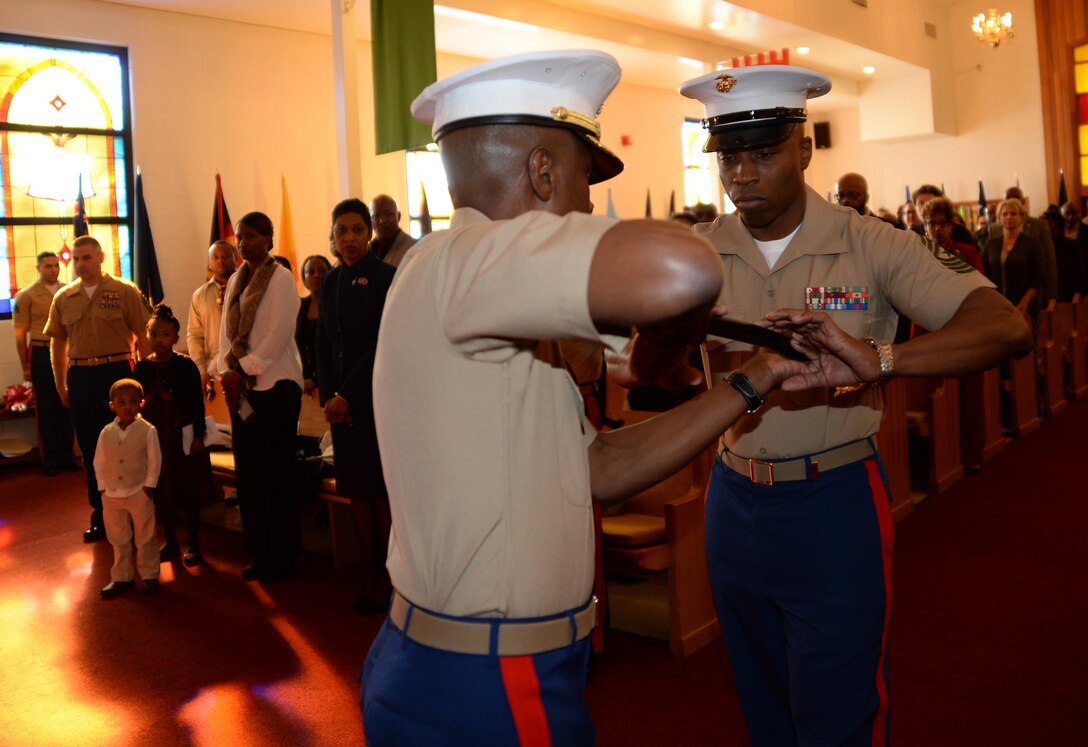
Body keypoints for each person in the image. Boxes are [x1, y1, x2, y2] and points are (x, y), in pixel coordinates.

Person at [360, 49, 882, 746]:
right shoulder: (467, 260)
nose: (585, 205)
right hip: (486, 677)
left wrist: (751, 381)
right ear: (543, 172)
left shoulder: (479, 296)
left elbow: (595, 467)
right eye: (581, 182)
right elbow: (683, 268)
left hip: (471, 660)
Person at [680, 64, 1031, 746]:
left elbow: (1004, 326)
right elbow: (654, 370)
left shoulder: (873, 242)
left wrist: (885, 360)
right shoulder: (696, 256)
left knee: (840, 711)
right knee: (762, 701)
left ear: (806, 148)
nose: (742, 175)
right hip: (730, 500)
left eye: (763, 153)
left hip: (831, 500)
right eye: (728, 157)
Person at [314, 199, 396, 613]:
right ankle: (370, 570)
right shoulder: (329, 282)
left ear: (369, 233)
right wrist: (330, 395)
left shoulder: (387, 278)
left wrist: (348, 394)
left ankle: (393, 575)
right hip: (340, 404)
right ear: (332, 237)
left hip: (374, 401)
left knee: (380, 492)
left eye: (356, 230)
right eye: (341, 231)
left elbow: (382, 343)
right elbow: (324, 343)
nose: (348, 238)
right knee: (357, 492)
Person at [44, 235, 151, 543]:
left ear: (101, 257)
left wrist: (143, 377)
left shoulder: (123, 291)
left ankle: (133, 513)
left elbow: (141, 334)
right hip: (81, 375)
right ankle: (101, 516)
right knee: (93, 450)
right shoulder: (64, 297)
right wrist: (60, 381)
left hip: (116, 372)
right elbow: (58, 342)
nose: (80, 264)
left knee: (126, 445)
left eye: (87, 257)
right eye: (76, 259)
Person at [216, 212, 304, 582]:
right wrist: (224, 368)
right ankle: (260, 552)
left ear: (268, 238)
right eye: (239, 237)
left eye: (251, 236)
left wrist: (244, 368)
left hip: (275, 386)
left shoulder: (282, 278)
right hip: (242, 389)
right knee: (250, 474)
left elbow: (277, 335)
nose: (243, 243)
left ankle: (284, 554)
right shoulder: (237, 278)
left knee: (275, 474)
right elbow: (225, 332)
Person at [134, 304, 209, 566]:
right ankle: (171, 542)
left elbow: (196, 404)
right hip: (155, 436)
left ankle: (194, 544)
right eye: (154, 334)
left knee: (186, 489)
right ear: (147, 335)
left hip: (182, 433)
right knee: (161, 489)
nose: (159, 339)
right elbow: (136, 405)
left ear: (175, 337)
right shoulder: (141, 369)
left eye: (166, 334)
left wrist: (199, 434)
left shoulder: (185, 366)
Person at [94, 378, 162, 598]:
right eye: (121, 402)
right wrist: (103, 487)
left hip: (138, 492)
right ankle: (121, 576)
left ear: (141, 404)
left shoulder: (148, 430)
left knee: (145, 536)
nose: (127, 407)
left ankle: (149, 574)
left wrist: (148, 486)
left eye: (133, 402)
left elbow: (155, 460)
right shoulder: (106, 432)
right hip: (112, 495)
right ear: (112, 405)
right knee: (118, 537)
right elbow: (99, 462)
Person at [12, 251, 77, 476]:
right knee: (46, 406)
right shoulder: (26, 295)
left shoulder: (69, 291)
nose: (53, 269)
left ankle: (67, 457)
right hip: (40, 352)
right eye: (47, 266)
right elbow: (20, 334)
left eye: (55, 265)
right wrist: (25, 366)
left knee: (66, 402)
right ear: (38, 268)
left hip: (66, 352)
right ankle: (50, 460)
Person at [985, 186, 1057, 303]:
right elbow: (986, 271)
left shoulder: (1038, 229)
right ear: (999, 217)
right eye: (1005, 214)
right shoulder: (992, 239)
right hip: (999, 302)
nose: (1009, 217)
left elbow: (1048, 263)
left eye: (1013, 213)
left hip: (1028, 300)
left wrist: (1051, 295)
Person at [187, 240, 237, 400]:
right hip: (214, 368)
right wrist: (201, 370)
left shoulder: (247, 289)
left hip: (245, 365)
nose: (220, 260)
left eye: (225, 256)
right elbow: (194, 335)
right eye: (215, 257)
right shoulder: (199, 295)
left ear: (236, 259)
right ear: (209, 264)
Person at [296, 254, 332, 396]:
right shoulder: (300, 307)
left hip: (331, 381)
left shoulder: (335, 306)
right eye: (310, 272)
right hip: (303, 381)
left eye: (322, 271)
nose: (317, 275)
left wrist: (315, 380)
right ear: (304, 279)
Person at [921, 196, 984, 273]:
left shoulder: (968, 253)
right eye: (932, 223)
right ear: (925, 227)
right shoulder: (919, 255)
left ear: (950, 225)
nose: (937, 228)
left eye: (943, 223)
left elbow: (980, 282)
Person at [1043, 207, 1087, 301]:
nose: (1048, 229)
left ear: (1059, 226)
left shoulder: (1071, 245)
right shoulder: (1040, 246)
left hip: (1068, 294)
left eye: (1051, 225)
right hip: (1046, 296)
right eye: (1045, 225)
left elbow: (1080, 273)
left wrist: (1076, 296)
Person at [369, 194, 417, 268]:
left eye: (388, 214)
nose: (382, 220)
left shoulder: (414, 248)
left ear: (398, 216)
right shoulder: (365, 252)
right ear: (370, 221)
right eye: (376, 216)